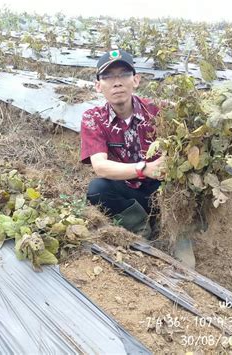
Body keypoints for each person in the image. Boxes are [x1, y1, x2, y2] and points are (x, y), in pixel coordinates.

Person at [80, 49, 165, 240]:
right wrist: (144, 169)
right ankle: (140, 227)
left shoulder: (159, 110)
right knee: (97, 190)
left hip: (162, 191)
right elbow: (100, 167)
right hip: (128, 193)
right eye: (108, 76)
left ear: (136, 80)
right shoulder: (94, 118)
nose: (116, 82)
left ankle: (177, 229)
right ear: (98, 86)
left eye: (124, 74)